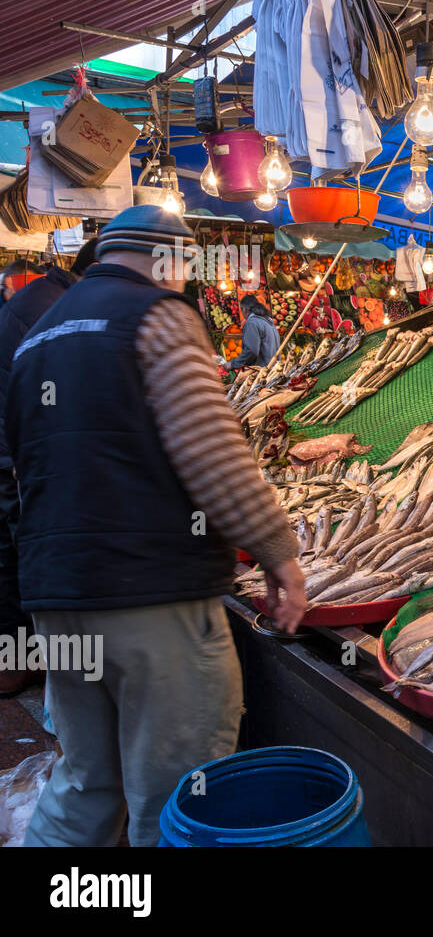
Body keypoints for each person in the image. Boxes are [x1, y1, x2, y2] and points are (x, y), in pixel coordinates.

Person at [5, 205, 307, 847]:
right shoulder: (159, 318)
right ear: (168, 260)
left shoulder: (37, 338)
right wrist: (278, 551)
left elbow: (23, 469)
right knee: (179, 788)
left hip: (58, 601)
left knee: (86, 780)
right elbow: (213, 452)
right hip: (149, 598)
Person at [0, 241, 97, 696]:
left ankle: (32, 665)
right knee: (17, 555)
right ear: (94, 270)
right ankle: (23, 667)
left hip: (19, 450)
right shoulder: (47, 307)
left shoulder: (48, 297)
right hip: (14, 457)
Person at [222, 294, 281, 371]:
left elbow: (251, 351)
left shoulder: (252, 323)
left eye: (241, 310)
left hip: (262, 372)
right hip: (273, 369)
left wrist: (233, 364)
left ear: (244, 309)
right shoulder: (268, 321)